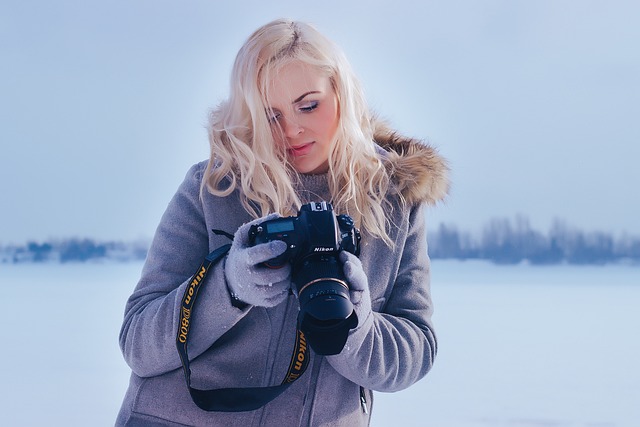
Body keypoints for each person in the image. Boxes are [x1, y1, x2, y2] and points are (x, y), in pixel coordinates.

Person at [116, 18, 449, 426]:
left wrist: (355, 325)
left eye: (309, 105)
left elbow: (416, 349)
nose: (292, 129)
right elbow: (138, 342)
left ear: (342, 94)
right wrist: (228, 288)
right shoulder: (214, 188)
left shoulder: (394, 201)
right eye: (270, 116)